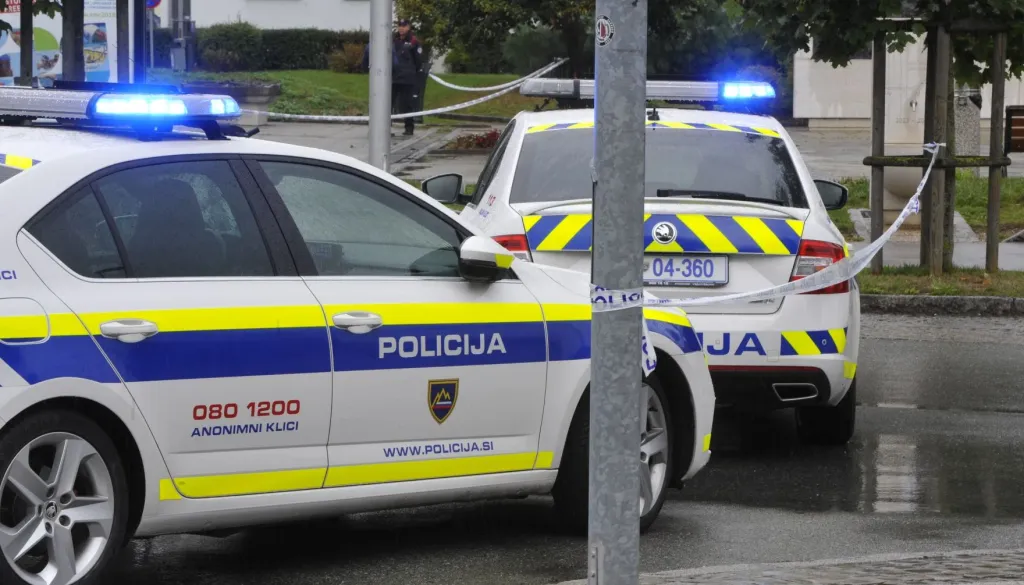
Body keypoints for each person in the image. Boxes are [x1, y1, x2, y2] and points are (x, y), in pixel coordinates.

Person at [392, 18, 423, 136]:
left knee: (406, 104)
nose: (401, 28)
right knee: (388, 103)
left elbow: (418, 61)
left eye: (404, 26)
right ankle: (385, 128)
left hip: (407, 78)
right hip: (394, 77)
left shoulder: (413, 42)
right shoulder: (394, 40)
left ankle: (409, 128)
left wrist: (411, 72)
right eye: (400, 26)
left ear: (408, 27)